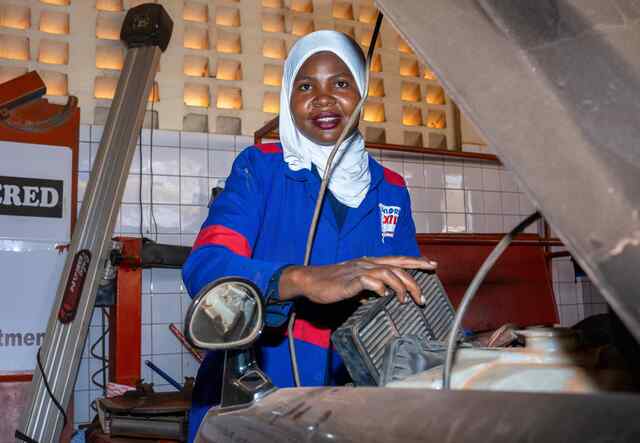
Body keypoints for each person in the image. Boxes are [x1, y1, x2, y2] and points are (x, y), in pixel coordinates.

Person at [182, 30, 435, 440]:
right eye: (305, 86)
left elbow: (409, 290)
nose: (323, 98)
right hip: (257, 393)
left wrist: (462, 344)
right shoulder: (260, 168)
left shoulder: (391, 187)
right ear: (288, 97)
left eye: (340, 82)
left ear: (361, 93)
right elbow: (207, 268)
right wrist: (302, 279)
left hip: (356, 397)